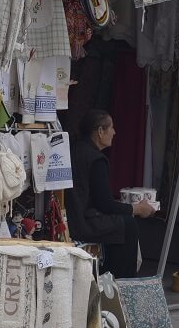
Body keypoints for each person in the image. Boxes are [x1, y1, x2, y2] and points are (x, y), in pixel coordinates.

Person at [67, 109, 157, 278]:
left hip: (73, 217)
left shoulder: (75, 150)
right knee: (127, 225)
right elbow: (104, 204)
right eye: (111, 128)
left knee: (122, 220)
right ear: (100, 131)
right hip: (82, 223)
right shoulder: (96, 160)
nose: (114, 132)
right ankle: (120, 281)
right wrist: (136, 209)